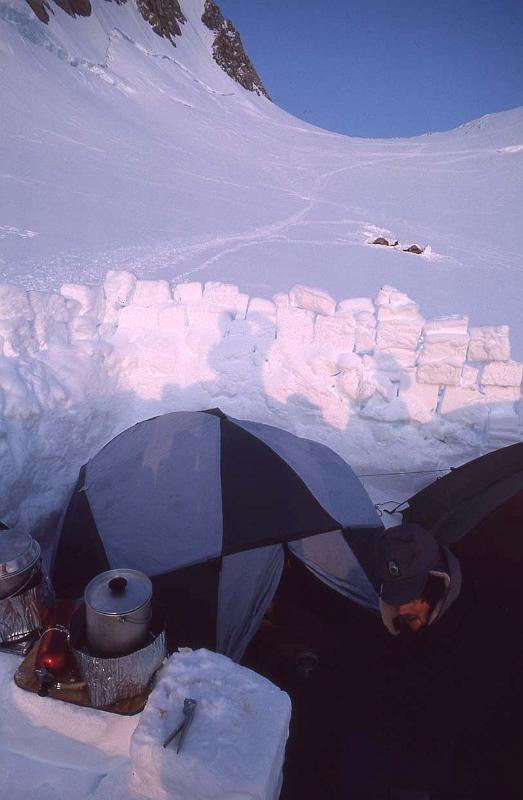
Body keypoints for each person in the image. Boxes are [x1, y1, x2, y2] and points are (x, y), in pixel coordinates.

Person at [357, 521, 523, 799]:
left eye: (412, 595)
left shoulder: (487, 622)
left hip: (476, 756)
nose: (403, 607)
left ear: (437, 579)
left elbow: (483, 716)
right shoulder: (407, 623)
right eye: (397, 597)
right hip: (425, 742)